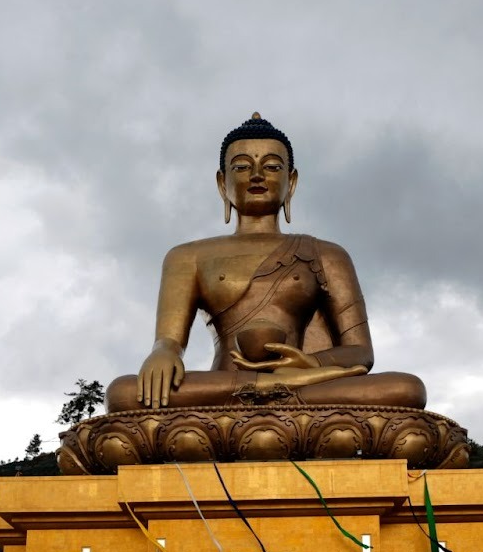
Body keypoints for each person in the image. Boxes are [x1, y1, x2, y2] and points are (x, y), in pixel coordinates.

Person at [106, 114, 426, 413]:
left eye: (272, 167)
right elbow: (169, 341)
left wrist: (310, 365)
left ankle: (272, 388)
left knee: (406, 389)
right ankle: (267, 387)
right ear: (222, 183)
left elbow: (360, 353)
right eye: (242, 167)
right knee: (123, 393)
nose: (257, 175)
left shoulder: (327, 254)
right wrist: (164, 352)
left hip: (302, 388)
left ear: (292, 182)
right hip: (228, 385)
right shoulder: (186, 257)